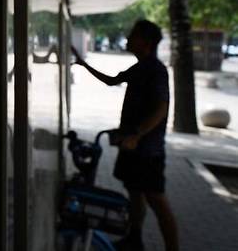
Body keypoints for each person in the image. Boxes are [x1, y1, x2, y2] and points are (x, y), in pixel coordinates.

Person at [72, 20, 179, 251]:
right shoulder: (140, 67)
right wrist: (83, 64)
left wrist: (137, 135)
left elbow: (161, 108)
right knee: (135, 193)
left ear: (146, 42)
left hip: (147, 149)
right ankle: (135, 238)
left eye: (133, 35)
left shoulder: (156, 70)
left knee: (156, 199)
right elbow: (112, 81)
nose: (128, 39)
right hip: (133, 146)